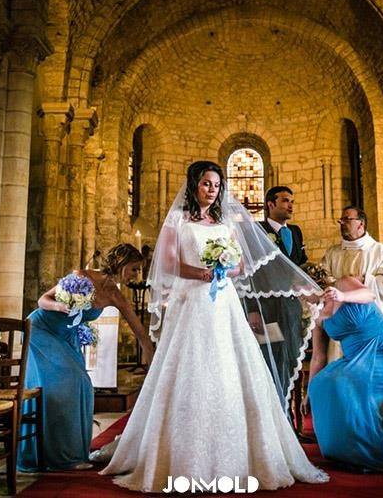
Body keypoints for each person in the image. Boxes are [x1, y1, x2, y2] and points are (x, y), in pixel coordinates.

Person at [99, 161, 329, 492]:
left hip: (223, 303)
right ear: (194, 185)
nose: (213, 190)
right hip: (190, 302)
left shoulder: (226, 222)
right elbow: (167, 263)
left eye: (217, 185)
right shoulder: (179, 220)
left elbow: (239, 264)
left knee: (229, 367)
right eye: (207, 184)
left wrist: (225, 269)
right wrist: (202, 274)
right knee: (190, 368)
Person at [18, 244, 155, 471]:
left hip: (66, 337)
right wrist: (60, 305)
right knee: (71, 383)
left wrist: (155, 367)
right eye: (134, 269)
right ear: (122, 263)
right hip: (41, 331)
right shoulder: (81, 276)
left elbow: (140, 333)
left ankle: (69, 453)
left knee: (83, 387)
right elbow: (43, 300)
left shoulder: (115, 295)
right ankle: (58, 457)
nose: (136, 275)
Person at [303, 274, 383, 471]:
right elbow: (318, 357)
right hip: (354, 359)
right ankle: (346, 451)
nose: (302, 297)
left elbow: (369, 294)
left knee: (342, 384)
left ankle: (370, 451)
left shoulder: (343, 284)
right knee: (321, 384)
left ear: (315, 284)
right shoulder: (317, 316)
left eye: (302, 291)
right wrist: (308, 392)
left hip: (381, 351)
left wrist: (342, 296)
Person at [246, 186, 309, 409]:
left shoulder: (296, 231)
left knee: (291, 356)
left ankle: (288, 413)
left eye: (292, 201)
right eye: (285, 201)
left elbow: (301, 266)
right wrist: (252, 308)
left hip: (291, 306)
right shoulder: (256, 230)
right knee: (269, 355)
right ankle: (270, 410)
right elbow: (251, 273)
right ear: (270, 204)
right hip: (265, 307)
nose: (290, 205)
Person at [320, 207, 383, 337]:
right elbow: (323, 277)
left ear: (361, 223)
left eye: (347, 219)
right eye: (341, 220)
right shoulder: (332, 252)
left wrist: (365, 280)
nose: (342, 223)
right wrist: (342, 285)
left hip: (369, 316)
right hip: (339, 314)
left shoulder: (380, 251)